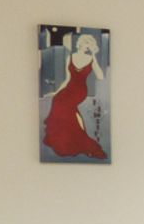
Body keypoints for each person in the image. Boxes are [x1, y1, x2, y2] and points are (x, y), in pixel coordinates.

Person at [42, 30, 107, 160]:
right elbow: (67, 79)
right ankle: (63, 137)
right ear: (80, 44)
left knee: (66, 106)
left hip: (80, 90)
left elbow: (100, 76)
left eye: (89, 44)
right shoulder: (70, 58)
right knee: (57, 100)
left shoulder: (90, 59)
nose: (87, 46)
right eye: (85, 43)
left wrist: (94, 56)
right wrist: (57, 91)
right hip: (69, 87)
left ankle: (77, 139)